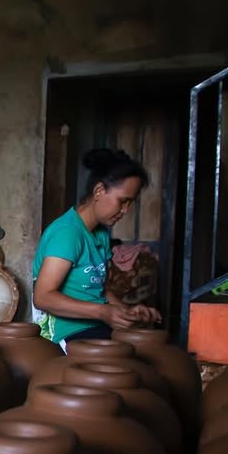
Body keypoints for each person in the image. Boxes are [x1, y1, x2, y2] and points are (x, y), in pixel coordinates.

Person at [33, 147, 162, 346]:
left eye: (130, 204)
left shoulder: (100, 234)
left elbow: (98, 290)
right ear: (99, 191)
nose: (125, 210)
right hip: (65, 334)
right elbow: (42, 297)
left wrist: (128, 313)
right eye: (122, 201)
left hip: (95, 326)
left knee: (152, 350)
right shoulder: (67, 233)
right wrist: (103, 312)